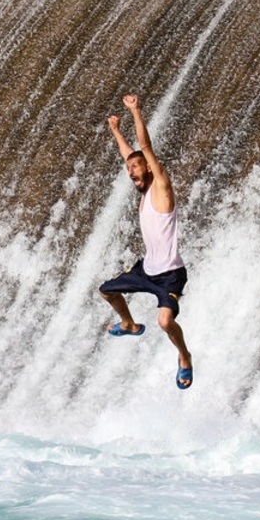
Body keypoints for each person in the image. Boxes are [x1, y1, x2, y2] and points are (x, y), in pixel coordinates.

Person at [98, 94, 193, 389]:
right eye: (129, 171)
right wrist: (116, 131)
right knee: (106, 291)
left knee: (165, 322)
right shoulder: (141, 189)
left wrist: (136, 111)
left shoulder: (162, 186)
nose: (132, 172)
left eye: (137, 169)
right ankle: (129, 324)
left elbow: (145, 148)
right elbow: (130, 155)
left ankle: (185, 358)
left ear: (150, 168)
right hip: (146, 270)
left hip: (170, 276)